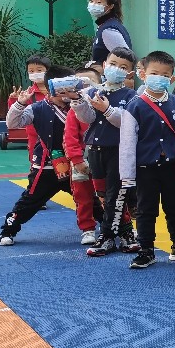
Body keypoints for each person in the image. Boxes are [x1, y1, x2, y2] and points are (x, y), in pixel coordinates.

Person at [0, 69, 85, 246]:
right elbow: (12, 123)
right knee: (29, 202)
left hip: (75, 165)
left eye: (71, 85)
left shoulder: (78, 106)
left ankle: (113, 229)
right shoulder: (37, 108)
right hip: (46, 167)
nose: (67, 91)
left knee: (89, 200)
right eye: (63, 86)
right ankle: (7, 231)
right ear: (51, 87)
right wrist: (19, 104)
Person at [118, 51, 175, 269]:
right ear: (143, 74)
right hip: (145, 167)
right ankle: (146, 250)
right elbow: (127, 142)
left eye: (165, 75)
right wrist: (127, 175)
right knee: (146, 210)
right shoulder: (135, 105)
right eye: (154, 73)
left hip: (173, 167)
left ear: (172, 78)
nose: (160, 78)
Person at [84, 49, 141, 257]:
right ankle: (126, 233)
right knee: (103, 196)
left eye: (123, 67)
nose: (116, 69)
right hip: (95, 150)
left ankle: (106, 236)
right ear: (104, 65)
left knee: (115, 196)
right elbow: (86, 118)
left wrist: (107, 109)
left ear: (130, 73)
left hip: (118, 151)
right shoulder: (94, 91)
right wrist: (77, 101)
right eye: (113, 64)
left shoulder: (131, 96)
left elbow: (127, 122)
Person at [63, 66, 104, 245]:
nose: (83, 87)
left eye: (88, 83)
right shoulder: (74, 111)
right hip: (82, 161)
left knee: (112, 194)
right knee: (83, 197)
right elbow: (69, 137)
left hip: (104, 159)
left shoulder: (106, 107)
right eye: (79, 84)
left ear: (99, 84)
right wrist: (76, 160)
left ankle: (121, 225)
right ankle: (87, 229)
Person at [87, 0, 133, 66]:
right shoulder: (105, 25)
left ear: (110, 6)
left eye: (98, 2)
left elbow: (125, 58)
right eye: (91, 1)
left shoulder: (109, 29)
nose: (93, 5)